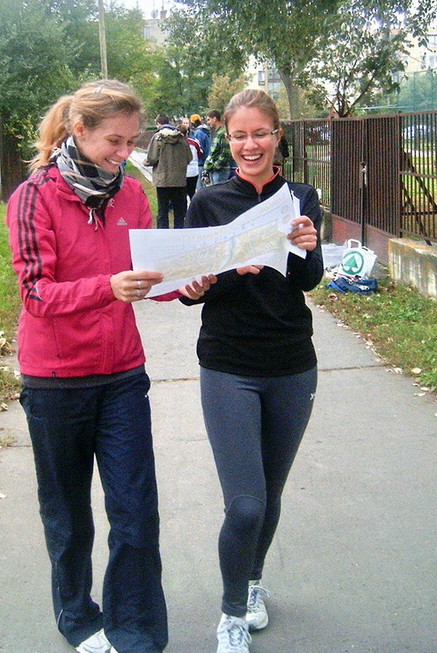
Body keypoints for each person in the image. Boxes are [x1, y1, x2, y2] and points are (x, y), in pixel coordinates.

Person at [6, 80, 210, 653]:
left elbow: (147, 275)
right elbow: (35, 294)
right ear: (79, 131)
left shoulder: (132, 195)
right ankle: (77, 616)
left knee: (136, 511)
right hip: (54, 382)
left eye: (131, 141)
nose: (125, 153)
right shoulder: (34, 196)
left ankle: (136, 632)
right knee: (68, 515)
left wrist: (185, 286)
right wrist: (106, 288)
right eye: (114, 142)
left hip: (122, 375)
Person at [180, 89, 324, 653]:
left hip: (292, 363)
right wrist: (212, 277)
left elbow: (308, 281)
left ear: (277, 135)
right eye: (239, 135)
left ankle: (253, 581)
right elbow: (189, 291)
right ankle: (231, 613)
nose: (249, 144)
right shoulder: (208, 201)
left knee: (270, 492)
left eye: (260, 133)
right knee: (245, 503)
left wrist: (308, 246)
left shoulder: (301, 196)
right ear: (227, 138)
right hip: (228, 363)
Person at [145, 114, 191, 228]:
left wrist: (146, 162)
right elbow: (189, 157)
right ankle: (179, 233)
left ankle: (163, 233)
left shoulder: (158, 137)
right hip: (179, 180)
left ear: (158, 124)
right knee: (179, 211)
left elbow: (152, 158)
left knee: (163, 210)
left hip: (163, 180)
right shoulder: (181, 137)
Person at [202, 109, 234, 185]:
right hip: (216, 171)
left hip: (220, 171)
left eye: (209, 120)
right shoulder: (217, 133)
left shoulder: (222, 133)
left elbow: (225, 153)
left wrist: (215, 166)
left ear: (214, 119)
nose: (208, 122)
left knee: (219, 191)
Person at [177, 119, 203, 202]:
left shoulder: (175, 144)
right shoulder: (194, 143)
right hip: (193, 171)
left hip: (181, 172)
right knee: (192, 192)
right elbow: (200, 154)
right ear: (187, 133)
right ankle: (194, 207)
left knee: (182, 195)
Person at [190, 114, 211, 187]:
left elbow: (199, 148)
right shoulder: (206, 131)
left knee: (200, 186)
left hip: (201, 162)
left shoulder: (198, 133)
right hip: (206, 161)